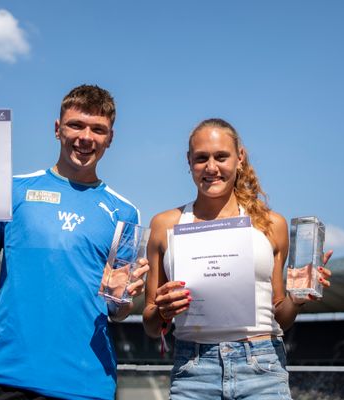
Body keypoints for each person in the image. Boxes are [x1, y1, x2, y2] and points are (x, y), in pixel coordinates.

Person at [0, 84, 148, 400]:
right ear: (57, 129)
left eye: (98, 129)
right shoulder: (11, 190)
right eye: (75, 125)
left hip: (87, 385)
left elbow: (117, 311)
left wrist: (123, 297)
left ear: (110, 138)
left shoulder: (124, 211)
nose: (85, 137)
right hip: (11, 380)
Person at [142, 118, 332, 399]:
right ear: (188, 161)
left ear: (239, 158)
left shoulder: (272, 225)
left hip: (262, 367)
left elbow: (281, 314)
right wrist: (162, 310)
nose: (211, 167)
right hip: (194, 370)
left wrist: (298, 297)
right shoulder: (164, 225)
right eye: (201, 158)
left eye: (221, 157)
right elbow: (149, 324)